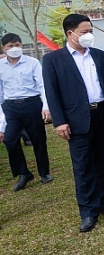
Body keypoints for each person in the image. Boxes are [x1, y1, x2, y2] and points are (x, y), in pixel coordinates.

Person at [43, 14, 104, 232]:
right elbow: (52, 93)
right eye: (84, 31)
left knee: (103, 160)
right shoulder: (54, 60)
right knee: (83, 166)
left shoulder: (99, 56)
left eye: (90, 31)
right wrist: (59, 122)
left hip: (102, 113)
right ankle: (88, 211)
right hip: (76, 119)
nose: (89, 35)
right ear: (70, 34)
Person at [0, 34, 53, 191]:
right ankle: (23, 173)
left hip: (31, 103)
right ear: (3, 48)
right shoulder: (0, 65)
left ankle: (44, 172)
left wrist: (46, 106)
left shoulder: (32, 63)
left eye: (17, 45)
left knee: (38, 139)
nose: (14, 48)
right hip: (10, 106)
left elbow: (42, 85)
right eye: (10, 46)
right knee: (9, 140)